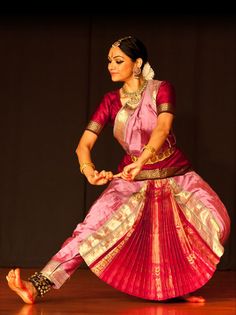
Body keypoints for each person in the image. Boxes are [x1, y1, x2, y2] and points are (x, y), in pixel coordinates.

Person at [6, 36, 230, 304]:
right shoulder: (111, 101)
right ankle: (36, 285)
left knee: (216, 221)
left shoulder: (161, 89)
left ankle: (179, 287)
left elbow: (163, 128)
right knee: (89, 230)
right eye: (109, 61)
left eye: (118, 60)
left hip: (175, 176)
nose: (111, 66)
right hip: (131, 180)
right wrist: (87, 169)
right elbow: (84, 145)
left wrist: (142, 159)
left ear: (137, 64)